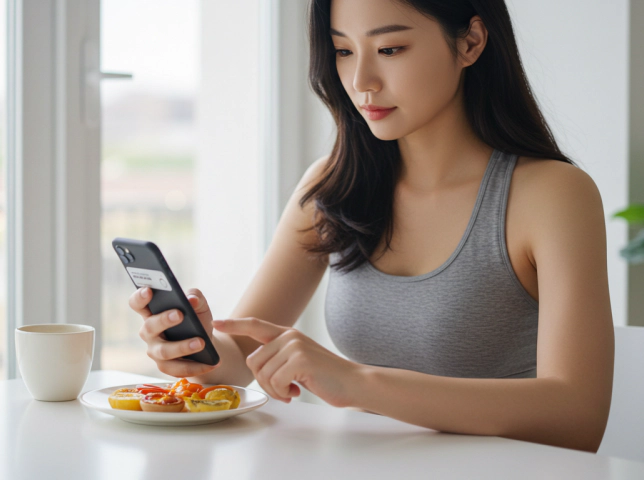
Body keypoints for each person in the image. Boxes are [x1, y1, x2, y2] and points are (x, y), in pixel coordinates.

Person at [129, 0, 614, 453]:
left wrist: (359, 382)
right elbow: (239, 361)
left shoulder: (552, 195)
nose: (361, 79)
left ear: (470, 42)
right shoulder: (331, 186)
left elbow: (578, 416)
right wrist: (198, 350)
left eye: (390, 49)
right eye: (342, 50)